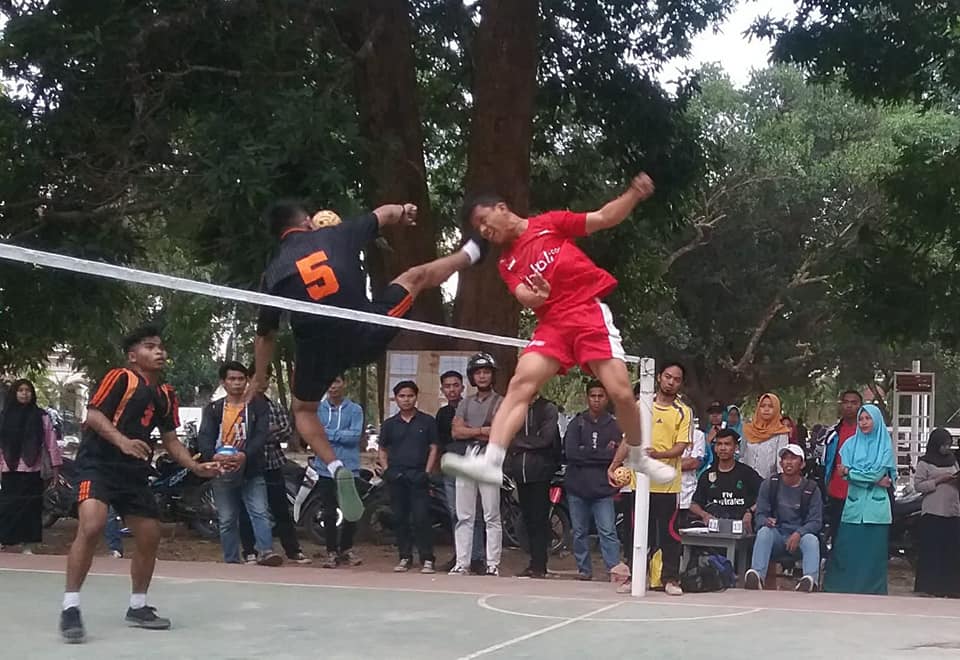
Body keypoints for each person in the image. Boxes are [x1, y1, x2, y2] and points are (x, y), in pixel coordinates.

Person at [251, 201, 486, 524]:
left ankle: (334, 468)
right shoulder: (337, 234)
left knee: (303, 410)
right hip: (364, 330)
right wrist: (404, 211)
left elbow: (265, 335)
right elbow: (385, 213)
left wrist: (260, 378)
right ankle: (473, 252)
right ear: (308, 223)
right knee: (415, 277)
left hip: (318, 348)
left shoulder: (274, 271)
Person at [441, 173, 676, 489]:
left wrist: (633, 194)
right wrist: (535, 295)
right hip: (552, 323)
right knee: (521, 382)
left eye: (484, 220)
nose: (484, 230)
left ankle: (636, 455)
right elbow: (523, 294)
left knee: (620, 392)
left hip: (587, 313)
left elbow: (605, 217)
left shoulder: (549, 224)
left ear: (501, 208)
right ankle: (492, 461)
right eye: (479, 229)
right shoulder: (507, 263)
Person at [61, 326, 220, 643]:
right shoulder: (120, 377)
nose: (159, 351)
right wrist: (122, 441)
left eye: (161, 347)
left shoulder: (166, 394)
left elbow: (171, 440)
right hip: (98, 464)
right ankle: (70, 607)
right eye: (150, 347)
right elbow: (93, 415)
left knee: (150, 534)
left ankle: (138, 606)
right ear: (133, 355)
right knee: (92, 525)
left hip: (132, 472)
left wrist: (196, 466)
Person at [608, 361, 692, 596]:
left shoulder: (683, 411)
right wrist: (614, 465)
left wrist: (658, 455)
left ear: (680, 383)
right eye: (667, 377)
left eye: (676, 379)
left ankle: (671, 579)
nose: (671, 382)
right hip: (639, 483)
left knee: (669, 534)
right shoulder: (640, 406)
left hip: (666, 484)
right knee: (635, 532)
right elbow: (627, 439)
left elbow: (681, 447)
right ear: (658, 377)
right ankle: (634, 578)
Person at [198, 362, 281, 566]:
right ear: (223, 383)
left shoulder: (257, 406)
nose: (236, 383)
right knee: (227, 518)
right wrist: (213, 456)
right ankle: (231, 560)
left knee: (260, 511)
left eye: (240, 379)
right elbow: (205, 437)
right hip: (222, 469)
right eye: (232, 379)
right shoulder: (214, 409)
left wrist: (245, 454)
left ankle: (266, 552)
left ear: (247, 381)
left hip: (251, 468)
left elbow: (261, 435)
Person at [823, 404, 896, 595]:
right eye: (861, 419)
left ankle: (873, 591)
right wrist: (871, 478)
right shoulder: (849, 446)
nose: (863, 423)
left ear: (877, 420)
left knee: (873, 556)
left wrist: (852, 473)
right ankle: (840, 588)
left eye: (868, 418)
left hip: (876, 511)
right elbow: (844, 474)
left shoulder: (885, 446)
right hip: (853, 508)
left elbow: (873, 474)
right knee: (846, 551)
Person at [449, 353, 504, 576]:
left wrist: (470, 431)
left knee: (491, 513)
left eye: (486, 372)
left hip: (490, 456)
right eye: (478, 372)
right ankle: (462, 562)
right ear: (472, 376)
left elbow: (499, 432)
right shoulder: (465, 402)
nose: (482, 376)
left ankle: (493, 564)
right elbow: (456, 431)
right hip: (467, 456)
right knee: (464, 514)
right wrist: (481, 431)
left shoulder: (501, 401)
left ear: (492, 375)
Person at [239, 392, 310, 564]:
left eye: (266, 378)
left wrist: (261, 434)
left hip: (273, 463)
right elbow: (243, 435)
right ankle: (250, 551)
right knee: (248, 510)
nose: (262, 382)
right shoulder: (241, 406)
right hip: (249, 465)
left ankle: (293, 550)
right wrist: (265, 432)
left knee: (280, 509)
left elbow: (286, 430)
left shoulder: (275, 406)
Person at [377, 381, 439, 574]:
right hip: (397, 476)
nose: (406, 399)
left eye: (410, 395)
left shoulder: (427, 421)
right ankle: (404, 557)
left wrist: (427, 473)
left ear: (416, 397)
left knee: (421, 518)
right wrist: (387, 470)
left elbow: (434, 447)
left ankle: (427, 558)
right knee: (400, 518)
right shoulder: (389, 424)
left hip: (418, 476)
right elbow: (382, 449)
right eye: (402, 396)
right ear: (396, 399)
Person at [564, 381, 623, 581]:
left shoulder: (614, 425)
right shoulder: (577, 422)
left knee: (607, 531)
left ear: (607, 398)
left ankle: (613, 569)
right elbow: (571, 453)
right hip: (577, 487)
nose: (596, 400)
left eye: (601, 396)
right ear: (587, 397)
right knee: (579, 532)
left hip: (603, 489)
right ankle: (584, 570)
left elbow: (616, 454)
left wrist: (587, 452)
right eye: (593, 396)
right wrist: (601, 453)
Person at [744, 445, 823, 592]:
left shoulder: (811, 488)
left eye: (793, 458)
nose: (788, 462)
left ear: (802, 463)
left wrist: (799, 533)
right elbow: (760, 514)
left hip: (800, 539)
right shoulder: (770, 484)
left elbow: (816, 521)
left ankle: (810, 580)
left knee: (812, 539)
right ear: (780, 463)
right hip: (777, 537)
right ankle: (757, 576)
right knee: (764, 532)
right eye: (785, 458)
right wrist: (765, 521)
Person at [0, 379, 62, 553]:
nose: (24, 393)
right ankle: (4, 539)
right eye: (20, 390)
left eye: (28, 390)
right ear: (14, 393)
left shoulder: (41, 416)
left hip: (32, 470)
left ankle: (28, 544)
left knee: (31, 508)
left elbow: (51, 444)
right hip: (9, 469)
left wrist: (56, 470)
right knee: (7, 506)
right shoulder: (4, 416)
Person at [503, 395, 560, 578]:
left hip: (540, 472)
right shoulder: (516, 406)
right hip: (520, 472)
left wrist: (519, 442)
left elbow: (545, 439)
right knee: (526, 519)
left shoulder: (547, 408)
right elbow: (507, 436)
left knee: (539, 519)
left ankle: (539, 564)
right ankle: (533, 562)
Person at [315, 374, 364, 568]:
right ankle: (331, 551)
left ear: (344, 383)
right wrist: (328, 434)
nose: (333, 386)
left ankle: (346, 549)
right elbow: (312, 435)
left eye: (336, 381)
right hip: (325, 467)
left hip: (349, 467)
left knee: (350, 511)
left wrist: (327, 433)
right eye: (329, 382)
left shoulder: (355, 410)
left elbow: (354, 437)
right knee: (328, 512)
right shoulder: (318, 409)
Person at [434, 369, 481, 571]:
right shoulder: (442, 413)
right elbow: (440, 443)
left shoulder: (471, 407)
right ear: (442, 389)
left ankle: (478, 557)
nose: (452, 389)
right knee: (455, 513)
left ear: (462, 387)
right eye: (447, 386)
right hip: (450, 468)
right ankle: (461, 556)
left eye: (455, 385)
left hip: (472, 465)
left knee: (475, 513)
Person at [912, 428, 960, 597]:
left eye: (949, 445)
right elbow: (918, 486)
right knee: (932, 551)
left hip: (952, 511)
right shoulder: (925, 462)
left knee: (952, 551)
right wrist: (939, 480)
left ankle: (951, 588)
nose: (946, 448)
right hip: (933, 511)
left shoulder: (953, 461)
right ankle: (929, 587)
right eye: (944, 445)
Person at [689, 429, 762, 527]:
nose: (722, 448)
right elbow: (694, 504)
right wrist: (704, 515)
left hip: (741, 528)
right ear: (715, 448)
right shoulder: (707, 475)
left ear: (736, 447)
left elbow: (765, 496)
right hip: (715, 529)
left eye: (727, 444)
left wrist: (750, 512)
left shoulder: (747, 473)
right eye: (719, 444)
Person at [822, 390, 863, 546]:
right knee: (838, 535)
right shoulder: (833, 433)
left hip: (860, 492)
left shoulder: (867, 431)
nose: (849, 406)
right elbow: (826, 461)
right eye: (846, 402)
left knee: (857, 538)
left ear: (860, 406)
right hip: (836, 492)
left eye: (854, 403)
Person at [739, 393, 791, 480]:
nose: (766, 409)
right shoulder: (748, 430)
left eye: (770, 406)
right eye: (763, 406)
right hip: (746, 481)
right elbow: (742, 455)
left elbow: (780, 461)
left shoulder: (781, 433)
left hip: (769, 482)